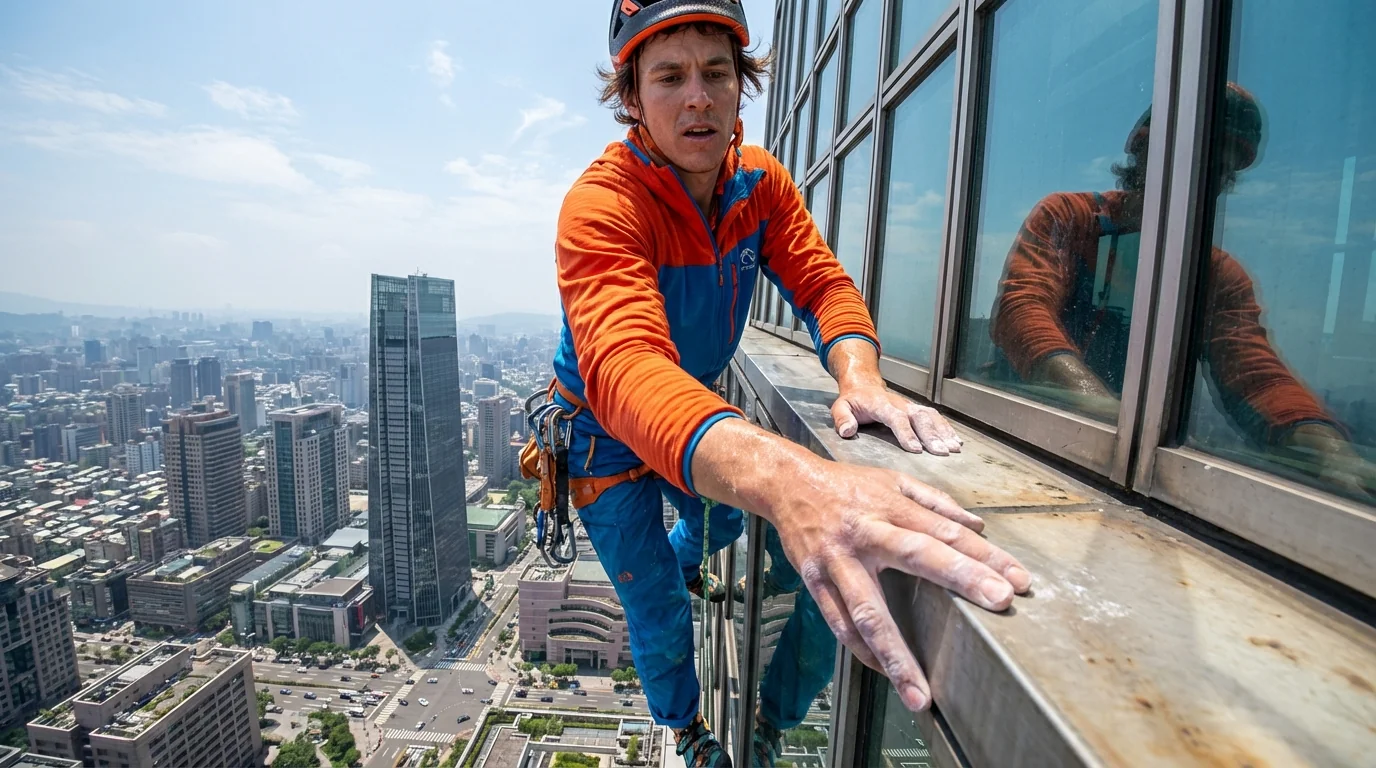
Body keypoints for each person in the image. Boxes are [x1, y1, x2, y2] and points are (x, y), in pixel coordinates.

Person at [547, 2, 1032, 765]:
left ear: (742, 85)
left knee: (727, 526)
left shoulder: (758, 186)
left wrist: (859, 372)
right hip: (604, 434)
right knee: (661, 614)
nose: (698, 97)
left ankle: (759, 708)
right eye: (669, 77)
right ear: (633, 100)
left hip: (688, 407)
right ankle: (688, 731)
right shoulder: (605, 204)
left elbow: (821, 285)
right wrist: (793, 483)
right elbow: (625, 366)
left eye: (716, 72)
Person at [989, 83, 1374, 499]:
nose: (1196, 179)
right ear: (1142, 154)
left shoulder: (1218, 275)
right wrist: (1103, 411)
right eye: (1178, 159)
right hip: (1018, 427)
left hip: (1114, 457)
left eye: (1215, 168)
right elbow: (1023, 308)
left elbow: (1257, 378)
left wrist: (1332, 454)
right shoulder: (1072, 217)